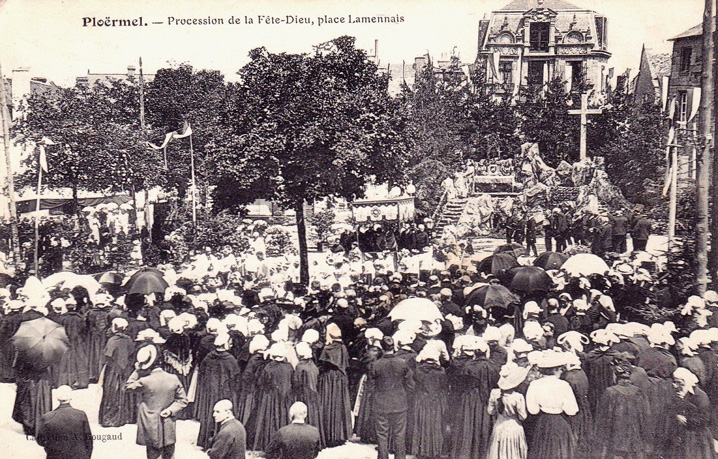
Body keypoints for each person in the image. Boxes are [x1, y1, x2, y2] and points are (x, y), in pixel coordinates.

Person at [126, 344, 188, 459]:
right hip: (168, 422)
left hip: (150, 423)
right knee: (169, 452)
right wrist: (170, 410)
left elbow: (128, 386)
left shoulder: (145, 381)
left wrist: (137, 370)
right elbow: (183, 400)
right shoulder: (173, 378)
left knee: (153, 453)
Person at [451, 337, 500, 459]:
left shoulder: (468, 366)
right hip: (485, 398)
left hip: (470, 399)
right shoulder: (493, 366)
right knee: (483, 425)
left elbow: (461, 384)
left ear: (475, 353)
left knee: (468, 425)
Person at [368, 336, 415, 459]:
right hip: (400, 403)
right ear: (393, 347)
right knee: (400, 435)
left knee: (382, 435)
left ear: (382, 349)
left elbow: (371, 387)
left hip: (381, 403)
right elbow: (410, 385)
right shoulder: (403, 363)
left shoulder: (375, 365)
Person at [525, 350, 579, 459]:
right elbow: (572, 410)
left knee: (542, 451)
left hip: (543, 422)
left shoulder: (534, 384)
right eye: (560, 369)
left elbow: (533, 410)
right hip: (560, 422)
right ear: (555, 369)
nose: (561, 371)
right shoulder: (564, 385)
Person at [593, 358, 650, 459]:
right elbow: (645, 418)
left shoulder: (610, 392)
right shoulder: (639, 392)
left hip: (615, 441)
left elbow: (603, 420)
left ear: (615, 375)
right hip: (635, 441)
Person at [195, 333, 241, 450]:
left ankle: (205, 441)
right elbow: (235, 377)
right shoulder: (230, 359)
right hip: (225, 392)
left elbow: (202, 374)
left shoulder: (209, 357)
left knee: (210, 413)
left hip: (210, 392)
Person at [317, 323, 352, 448]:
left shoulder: (328, 348)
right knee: (339, 404)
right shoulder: (343, 347)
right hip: (340, 379)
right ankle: (339, 434)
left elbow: (324, 365)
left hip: (329, 379)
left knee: (329, 403)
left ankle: (329, 434)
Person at [36, 385, 93, 459]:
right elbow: (88, 440)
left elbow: (40, 440)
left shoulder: (47, 418)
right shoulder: (81, 415)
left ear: (57, 398)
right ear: (71, 397)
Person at [487, 364, 530, 459]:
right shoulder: (518, 397)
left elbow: (490, 411)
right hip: (514, 428)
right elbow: (523, 416)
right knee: (513, 453)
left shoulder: (494, 393)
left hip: (499, 426)